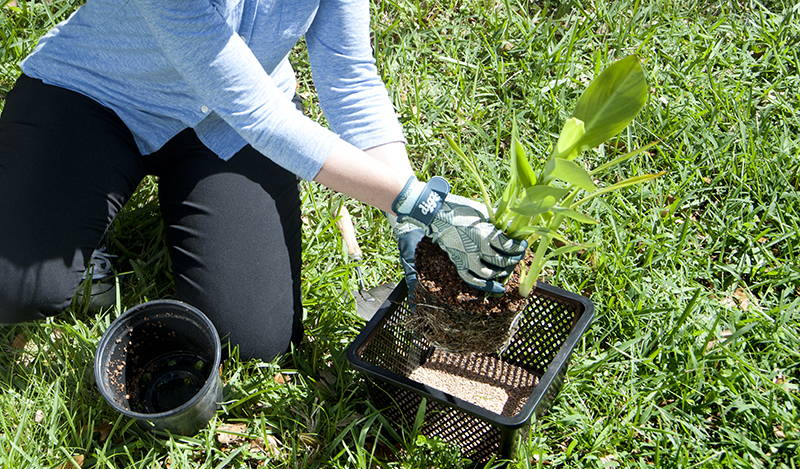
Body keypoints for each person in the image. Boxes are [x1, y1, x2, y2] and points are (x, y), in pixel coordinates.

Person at [0, 0, 526, 361]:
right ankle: (84, 233)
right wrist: (422, 204)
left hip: (223, 129)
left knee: (252, 337)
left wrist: (402, 210)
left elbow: (349, 73)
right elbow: (257, 113)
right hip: (98, 96)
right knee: (16, 288)